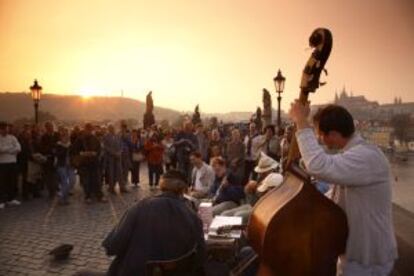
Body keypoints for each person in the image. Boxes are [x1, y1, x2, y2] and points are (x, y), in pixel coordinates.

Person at [289, 102, 398, 276]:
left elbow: (318, 165)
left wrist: (301, 123)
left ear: (332, 134)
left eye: (319, 135)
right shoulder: (356, 154)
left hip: (368, 260)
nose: (319, 140)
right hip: (358, 255)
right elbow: (339, 193)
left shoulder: (366, 157)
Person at [102, 170, 206, 276]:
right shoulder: (192, 216)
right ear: (183, 191)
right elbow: (200, 254)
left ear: (162, 186)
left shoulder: (140, 207)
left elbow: (112, 246)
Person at [221, 153, 282, 223]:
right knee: (226, 214)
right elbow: (250, 202)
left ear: (270, 170)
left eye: (263, 172)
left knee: (239, 216)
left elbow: (262, 202)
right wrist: (248, 191)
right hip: (253, 205)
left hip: (263, 208)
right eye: (260, 172)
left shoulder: (275, 180)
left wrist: (254, 191)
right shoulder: (259, 179)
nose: (260, 174)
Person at [73, 124, 106, 204]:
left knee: (97, 180)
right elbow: (75, 150)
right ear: (85, 129)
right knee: (86, 181)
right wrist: (83, 153)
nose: (89, 131)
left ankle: (99, 195)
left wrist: (94, 153)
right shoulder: (79, 140)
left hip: (94, 162)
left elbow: (99, 150)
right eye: (88, 130)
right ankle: (87, 196)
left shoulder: (95, 139)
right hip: (84, 163)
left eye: (90, 130)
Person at [0, 122, 21, 209]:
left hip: (12, 162)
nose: (6, 130)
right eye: (3, 128)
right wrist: (11, 149)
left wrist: (7, 149)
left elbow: (19, 148)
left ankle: (11, 199)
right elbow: (0, 149)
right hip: (2, 163)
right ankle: (1, 200)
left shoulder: (12, 137)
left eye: (6, 128)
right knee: (2, 183)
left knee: (12, 181)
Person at [55, 128, 76, 205]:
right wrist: (64, 147)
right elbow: (58, 155)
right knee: (65, 183)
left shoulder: (70, 145)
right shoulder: (58, 145)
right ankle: (63, 199)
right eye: (64, 135)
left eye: (67, 135)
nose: (66, 137)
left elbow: (74, 154)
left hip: (70, 165)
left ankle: (62, 195)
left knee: (72, 181)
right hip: (62, 165)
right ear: (61, 137)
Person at [39, 121, 59, 199]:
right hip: (48, 158)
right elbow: (42, 148)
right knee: (48, 177)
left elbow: (59, 144)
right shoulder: (44, 137)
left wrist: (56, 150)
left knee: (55, 176)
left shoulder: (57, 135)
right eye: (48, 127)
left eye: (51, 126)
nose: (50, 128)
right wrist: (51, 150)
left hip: (56, 157)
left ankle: (54, 190)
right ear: (46, 128)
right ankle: (51, 192)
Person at [103, 125, 124, 194]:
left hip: (118, 157)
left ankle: (122, 187)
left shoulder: (118, 136)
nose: (112, 129)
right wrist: (114, 153)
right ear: (109, 129)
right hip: (110, 158)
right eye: (111, 128)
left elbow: (121, 145)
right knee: (111, 173)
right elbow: (106, 147)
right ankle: (111, 188)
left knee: (120, 172)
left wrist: (120, 152)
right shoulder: (106, 137)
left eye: (113, 128)